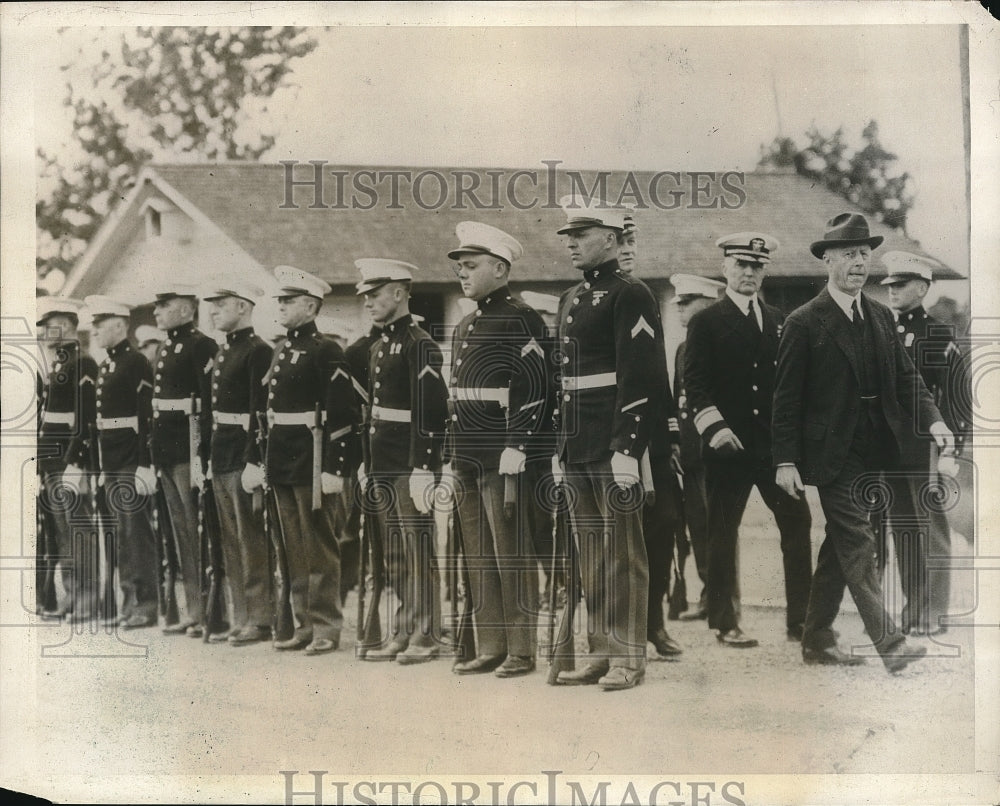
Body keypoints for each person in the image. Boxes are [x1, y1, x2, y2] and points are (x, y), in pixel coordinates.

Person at [772, 213, 954, 673]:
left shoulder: (877, 315)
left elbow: (907, 377)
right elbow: (786, 399)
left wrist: (933, 421)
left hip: (876, 450)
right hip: (831, 456)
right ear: (828, 260)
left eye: (864, 254)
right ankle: (890, 643)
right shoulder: (804, 322)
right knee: (859, 543)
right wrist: (785, 461)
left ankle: (815, 637)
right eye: (850, 254)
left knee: (841, 543)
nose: (859, 262)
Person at [551, 196, 668, 691]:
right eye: (570, 236)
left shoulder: (631, 294)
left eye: (582, 234)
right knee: (593, 555)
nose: (572, 243)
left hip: (612, 444)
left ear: (613, 238)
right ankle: (600, 653)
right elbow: (565, 382)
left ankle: (628, 656)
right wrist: (561, 448)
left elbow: (641, 376)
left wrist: (628, 448)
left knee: (622, 553)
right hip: (578, 444)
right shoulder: (573, 298)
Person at [684, 233, 813, 647]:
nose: (749, 273)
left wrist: (791, 445)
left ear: (765, 271)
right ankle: (725, 621)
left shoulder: (780, 320)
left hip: (773, 450)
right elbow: (695, 386)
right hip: (728, 449)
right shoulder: (706, 322)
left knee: (798, 524)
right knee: (722, 532)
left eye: (757, 266)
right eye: (741, 264)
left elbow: (790, 386)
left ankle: (801, 621)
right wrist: (716, 429)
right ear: (725, 268)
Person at [444, 221, 551, 678]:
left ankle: (522, 648)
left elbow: (537, 384)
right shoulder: (467, 323)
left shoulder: (521, 317)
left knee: (511, 552)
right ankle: (491, 644)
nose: (462, 275)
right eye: (460, 268)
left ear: (501, 268)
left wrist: (519, 443)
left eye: (471, 266)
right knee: (478, 553)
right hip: (467, 452)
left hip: (501, 453)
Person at [246, 266, 359, 655]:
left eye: (289, 300)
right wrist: (257, 460)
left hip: (311, 459)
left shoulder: (326, 349)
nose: (281, 305)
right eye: (280, 299)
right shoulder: (281, 348)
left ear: (310, 306)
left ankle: (327, 626)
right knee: (290, 546)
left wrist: (334, 467)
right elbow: (265, 412)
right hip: (281, 458)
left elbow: (342, 413)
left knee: (318, 545)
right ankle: (304, 623)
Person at [354, 259, 448, 664]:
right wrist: (367, 462)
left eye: (375, 295)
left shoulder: (418, 342)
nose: (368, 303)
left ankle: (425, 634)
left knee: (417, 548)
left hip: (410, 463)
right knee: (394, 552)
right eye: (365, 297)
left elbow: (430, 410)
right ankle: (405, 628)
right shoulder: (379, 345)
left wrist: (423, 467)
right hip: (383, 462)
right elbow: (375, 410)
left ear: (398, 292)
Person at [878, 251, 961, 636]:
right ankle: (914, 608)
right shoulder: (885, 331)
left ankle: (934, 612)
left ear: (923, 287)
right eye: (890, 285)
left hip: (926, 445)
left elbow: (955, 396)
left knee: (931, 529)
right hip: (892, 446)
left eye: (901, 284)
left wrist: (951, 449)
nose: (892, 291)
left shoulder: (938, 334)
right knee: (904, 529)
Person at [616, 216, 684, 658]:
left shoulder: (642, 296)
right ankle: (623, 627)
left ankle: (654, 622)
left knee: (662, 530)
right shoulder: (595, 301)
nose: (627, 248)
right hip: (617, 436)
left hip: (654, 436)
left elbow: (656, 373)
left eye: (631, 240)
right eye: (619, 240)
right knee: (620, 539)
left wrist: (671, 434)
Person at [202, 280, 274, 645]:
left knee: (250, 539)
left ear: (243, 307)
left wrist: (254, 460)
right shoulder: (223, 350)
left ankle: (261, 618)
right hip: (221, 453)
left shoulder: (257, 351)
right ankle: (241, 615)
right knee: (230, 540)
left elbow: (258, 410)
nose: (213, 311)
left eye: (220, 304)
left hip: (241, 455)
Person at [84, 295, 159, 629]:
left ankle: (146, 603)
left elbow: (146, 415)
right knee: (119, 534)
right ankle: (129, 602)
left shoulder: (136, 362)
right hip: (111, 461)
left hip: (130, 459)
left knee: (135, 532)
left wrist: (145, 462)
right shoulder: (107, 364)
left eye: (101, 325)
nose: (96, 331)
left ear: (119, 325)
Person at [148, 285, 218, 637]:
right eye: (158, 306)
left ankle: (207, 610)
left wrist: (201, 455)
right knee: (180, 535)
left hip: (187, 450)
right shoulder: (165, 345)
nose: (157, 312)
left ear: (188, 310)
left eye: (165, 305)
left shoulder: (200, 345)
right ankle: (193, 609)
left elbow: (206, 404)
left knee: (196, 531)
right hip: (166, 450)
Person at [36, 297, 99, 623]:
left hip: (69, 461)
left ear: (72, 326)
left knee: (79, 530)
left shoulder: (82, 363)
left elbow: (86, 417)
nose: (47, 330)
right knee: (61, 533)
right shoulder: (58, 364)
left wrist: (77, 461)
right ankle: (73, 594)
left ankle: (88, 597)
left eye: (54, 324)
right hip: (51, 461)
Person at [668, 273, 725, 621]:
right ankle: (707, 594)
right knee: (697, 526)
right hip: (689, 454)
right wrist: (676, 443)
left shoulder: (721, 344)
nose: (680, 310)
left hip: (714, 453)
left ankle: (719, 598)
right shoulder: (682, 349)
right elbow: (678, 401)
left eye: (687, 303)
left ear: (707, 304)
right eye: (679, 304)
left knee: (717, 527)